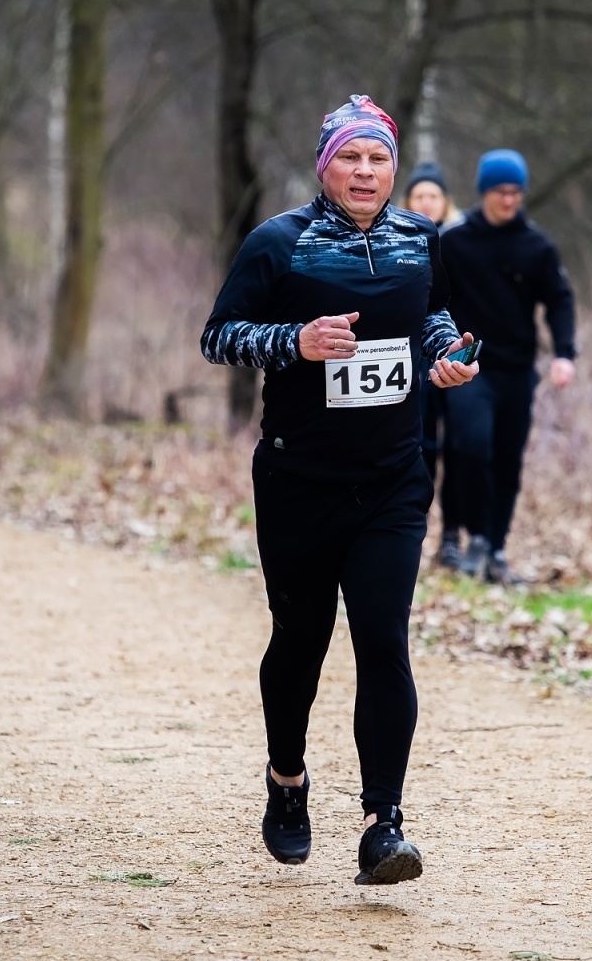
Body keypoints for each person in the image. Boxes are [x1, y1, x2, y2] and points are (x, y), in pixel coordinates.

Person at [201, 95, 479, 885]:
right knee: (301, 640)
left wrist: (448, 352)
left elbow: (432, 317)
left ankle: (382, 825)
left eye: (378, 158)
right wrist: (295, 341)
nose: (365, 171)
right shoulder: (278, 244)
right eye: (350, 158)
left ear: (395, 167)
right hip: (297, 480)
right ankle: (287, 783)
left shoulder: (423, 239)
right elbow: (219, 335)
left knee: (383, 636)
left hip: (392, 478)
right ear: (326, 165)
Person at [439, 148, 577, 585]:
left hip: (517, 369)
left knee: (507, 460)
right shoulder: (454, 242)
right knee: (471, 446)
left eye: (516, 192)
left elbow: (559, 301)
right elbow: (428, 296)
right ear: (484, 192)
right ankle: (474, 535)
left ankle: (496, 549)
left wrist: (564, 353)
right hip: (467, 365)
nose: (510, 199)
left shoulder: (536, 246)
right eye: (501, 191)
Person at [402, 162, 465, 568]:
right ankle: (411, 531)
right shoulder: (397, 241)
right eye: (419, 196)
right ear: (407, 202)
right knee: (420, 447)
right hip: (411, 361)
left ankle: (453, 539)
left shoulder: (464, 243)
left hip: (457, 356)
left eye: (433, 196)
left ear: (446, 203)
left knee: (458, 449)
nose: (426, 202)